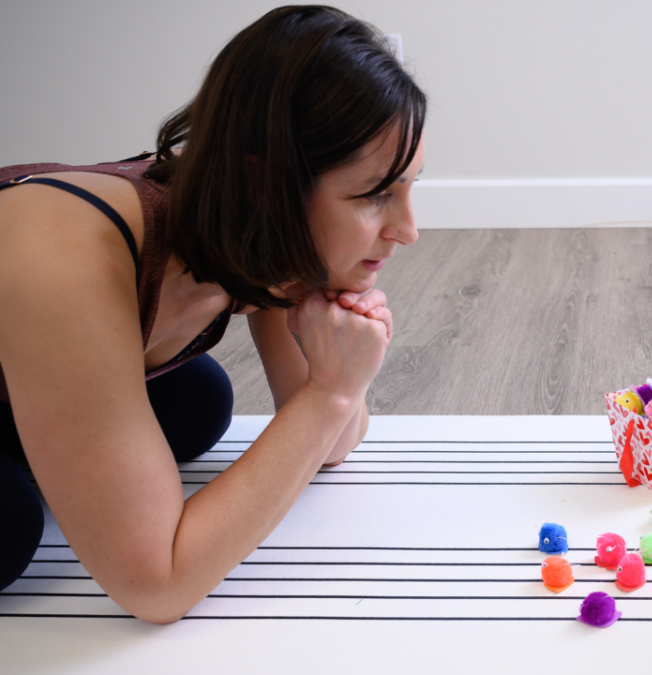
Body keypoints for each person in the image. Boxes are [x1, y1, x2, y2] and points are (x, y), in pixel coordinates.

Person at [0, 5, 425, 623]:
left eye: (410, 187)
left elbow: (334, 445)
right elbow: (157, 589)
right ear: (264, 185)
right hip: (36, 300)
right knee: (10, 528)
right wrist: (332, 387)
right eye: (374, 194)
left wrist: (335, 386)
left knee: (198, 402)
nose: (410, 231)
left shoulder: (260, 236)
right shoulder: (62, 259)